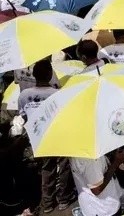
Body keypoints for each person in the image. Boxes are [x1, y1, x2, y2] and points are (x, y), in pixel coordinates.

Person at [18, 60, 76, 214]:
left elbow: (23, 117)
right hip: (58, 136)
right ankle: (64, 199)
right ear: (51, 75)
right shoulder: (58, 95)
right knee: (64, 166)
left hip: (39, 138)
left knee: (47, 168)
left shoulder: (24, 95)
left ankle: (47, 203)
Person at [69, 150, 124, 216]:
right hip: (104, 209)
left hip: (94, 205)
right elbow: (96, 189)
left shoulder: (78, 151)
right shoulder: (91, 160)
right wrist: (115, 163)